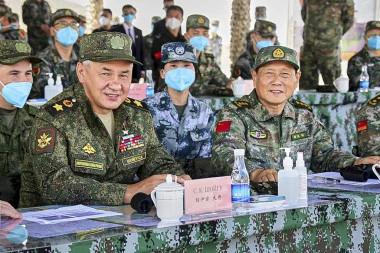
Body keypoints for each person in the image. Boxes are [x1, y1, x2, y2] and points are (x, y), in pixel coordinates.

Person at [19, 32, 190, 207]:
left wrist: (177, 180)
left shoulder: (137, 114)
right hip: (54, 227)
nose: (116, 85)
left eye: (124, 75)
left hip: (121, 223)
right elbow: (54, 186)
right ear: (81, 72)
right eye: (106, 74)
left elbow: (157, 161)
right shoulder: (54, 117)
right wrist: (128, 192)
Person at [212, 45, 380, 194]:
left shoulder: (303, 114)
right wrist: (256, 173)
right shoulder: (235, 114)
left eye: (285, 75)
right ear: (254, 77)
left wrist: (356, 161)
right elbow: (224, 155)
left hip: (298, 200)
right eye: (269, 74)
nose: (277, 81)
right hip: (252, 202)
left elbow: (325, 155)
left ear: (297, 79)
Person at [144, 42, 215, 179]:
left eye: (187, 65)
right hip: (157, 187)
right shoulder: (147, 108)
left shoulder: (204, 113)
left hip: (193, 187)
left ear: (195, 71)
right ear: (163, 73)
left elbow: (206, 161)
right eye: (174, 66)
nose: (180, 71)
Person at [0, 40, 41, 208]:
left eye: (28, 74)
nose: (23, 81)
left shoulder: (39, 118)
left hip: (30, 212)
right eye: (14, 73)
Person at [299, 0, 354, 91]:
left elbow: (348, 21)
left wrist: (332, 35)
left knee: (334, 86)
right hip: (309, 46)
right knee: (306, 86)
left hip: (330, 48)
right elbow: (305, 15)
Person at [29, 9, 80, 99]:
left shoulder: (85, 58)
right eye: (62, 23)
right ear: (52, 31)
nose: (69, 28)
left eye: (73, 24)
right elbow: (42, 91)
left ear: (78, 31)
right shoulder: (42, 59)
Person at [184, 14, 234, 96]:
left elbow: (222, 80)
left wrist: (232, 83)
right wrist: (212, 89)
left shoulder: (208, 60)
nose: (200, 37)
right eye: (196, 33)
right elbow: (185, 88)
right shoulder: (176, 58)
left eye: (204, 33)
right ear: (186, 35)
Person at [151, 5, 185, 86]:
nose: (173, 19)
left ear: (182, 19)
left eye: (176, 16)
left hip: (180, 80)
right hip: (163, 80)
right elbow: (157, 56)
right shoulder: (159, 38)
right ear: (166, 18)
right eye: (170, 16)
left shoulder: (183, 40)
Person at [111, 4, 145, 83]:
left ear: (135, 15)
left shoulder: (138, 32)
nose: (128, 15)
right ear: (122, 14)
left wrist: (143, 69)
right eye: (126, 13)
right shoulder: (115, 30)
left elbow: (141, 51)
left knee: (134, 93)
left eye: (131, 13)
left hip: (136, 70)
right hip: (121, 68)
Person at [347, 21, 380, 91]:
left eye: (379, 35)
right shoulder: (356, 60)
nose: (377, 38)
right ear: (365, 38)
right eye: (372, 35)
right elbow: (359, 83)